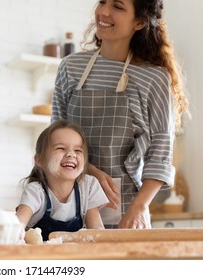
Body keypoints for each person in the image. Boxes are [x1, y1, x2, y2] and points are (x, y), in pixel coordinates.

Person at [52, 0, 189, 229]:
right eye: (102, 2)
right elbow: (53, 138)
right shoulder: (70, 67)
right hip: (68, 200)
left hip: (124, 207)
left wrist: (139, 207)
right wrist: (88, 170)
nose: (104, 11)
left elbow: (160, 154)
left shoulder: (153, 79)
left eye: (117, 6)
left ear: (139, 22)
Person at [16, 120, 108, 241]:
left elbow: (97, 234)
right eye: (61, 148)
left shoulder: (88, 186)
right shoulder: (36, 191)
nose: (71, 154)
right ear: (40, 160)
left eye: (78, 150)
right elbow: (16, 227)